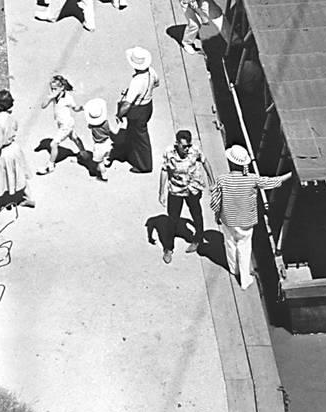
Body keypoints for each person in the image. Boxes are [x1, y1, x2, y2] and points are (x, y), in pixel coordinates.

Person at [209, 144, 292, 290]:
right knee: (244, 247)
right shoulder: (252, 179)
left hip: (228, 219)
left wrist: (217, 216)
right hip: (246, 221)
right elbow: (272, 182)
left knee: (229, 244)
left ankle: (233, 270)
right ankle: (245, 279)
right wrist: (290, 174)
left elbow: (215, 201)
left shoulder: (222, 180)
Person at [158, 130, 209, 263]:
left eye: (188, 146)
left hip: (192, 188)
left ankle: (198, 239)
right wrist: (161, 193)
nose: (187, 149)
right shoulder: (169, 153)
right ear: (177, 144)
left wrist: (212, 180)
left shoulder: (195, 150)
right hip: (176, 190)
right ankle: (168, 248)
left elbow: (204, 161)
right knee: (172, 220)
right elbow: (164, 171)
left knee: (197, 214)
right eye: (184, 146)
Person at [0, 89, 34, 208]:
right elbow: (15, 128)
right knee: (19, 172)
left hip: (5, 152)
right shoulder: (11, 117)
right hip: (14, 148)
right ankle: (28, 198)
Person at [116, 47, 160, 173]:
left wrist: (119, 114)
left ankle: (145, 165)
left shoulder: (136, 81)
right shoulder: (151, 72)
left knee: (141, 138)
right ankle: (128, 152)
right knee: (133, 132)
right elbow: (157, 83)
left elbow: (127, 105)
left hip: (137, 110)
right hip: (148, 105)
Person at [38, 74, 84, 174]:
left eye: (55, 89)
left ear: (62, 88)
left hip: (66, 124)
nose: (52, 91)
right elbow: (43, 106)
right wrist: (50, 97)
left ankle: (50, 165)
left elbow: (74, 108)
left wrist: (81, 108)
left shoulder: (68, 98)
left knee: (53, 144)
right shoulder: (54, 96)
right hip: (62, 123)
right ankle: (84, 153)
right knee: (74, 137)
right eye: (51, 89)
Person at [82, 97, 116, 180]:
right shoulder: (106, 123)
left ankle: (104, 175)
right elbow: (111, 131)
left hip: (98, 145)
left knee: (99, 162)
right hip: (107, 142)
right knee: (106, 154)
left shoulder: (92, 126)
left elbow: (89, 125)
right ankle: (107, 160)